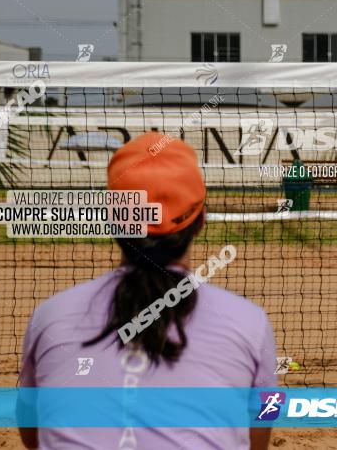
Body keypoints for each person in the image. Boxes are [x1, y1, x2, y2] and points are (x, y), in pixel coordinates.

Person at [18, 132, 276, 450]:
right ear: (200, 221)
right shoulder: (249, 322)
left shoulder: (50, 317)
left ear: (112, 219)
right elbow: (264, 420)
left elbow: (32, 433)